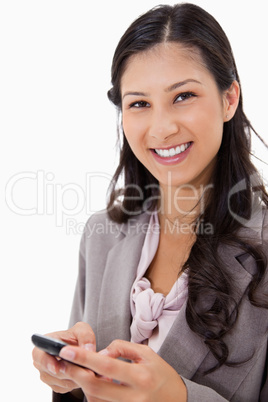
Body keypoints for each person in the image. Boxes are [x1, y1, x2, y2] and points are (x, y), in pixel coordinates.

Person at [32, 3, 268, 401]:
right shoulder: (101, 234)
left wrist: (178, 396)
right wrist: (69, 378)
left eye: (184, 96)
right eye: (139, 103)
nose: (161, 128)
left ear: (229, 99)